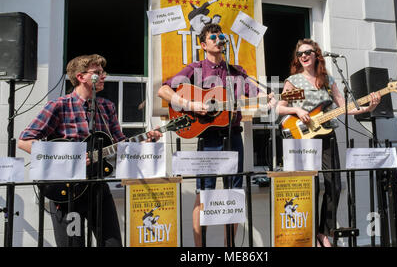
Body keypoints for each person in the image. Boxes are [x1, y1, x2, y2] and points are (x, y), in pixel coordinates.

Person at [18, 54, 163, 247]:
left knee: (112, 243)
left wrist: (145, 142)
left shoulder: (106, 106)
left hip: (97, 186)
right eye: (97, 73)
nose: (104, 76)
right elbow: (24, 141)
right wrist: (68, 159)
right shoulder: (59, 105)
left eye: (103, 72)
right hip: (66, 189)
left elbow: (121, 145)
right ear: (81, 77)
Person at [158, 23, 275, 246]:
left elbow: (256, 94)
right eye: (214, 37)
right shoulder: (194, 68)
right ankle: (199, 249)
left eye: (221, 36)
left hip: (234, 137)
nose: (219, 40)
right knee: (204, 193)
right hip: (209, 139)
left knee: (233, 193)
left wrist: (268, 97)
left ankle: (229, 247)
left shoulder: (237, 71)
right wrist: (190, 104)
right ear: (203, 45)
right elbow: (163, 90)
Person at [276, 39, 380, 247]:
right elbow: (280, 107)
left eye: (307, 52)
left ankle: (324, 232)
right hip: (302, 136)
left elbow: (344, 107)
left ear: (316, 55)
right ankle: (310, 232)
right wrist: (297, 110)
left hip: (326, 135)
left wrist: (367, 108)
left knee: (334, 183)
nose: (303, 56)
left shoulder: (327, 80)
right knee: (309, 186)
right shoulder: (294, 80)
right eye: (300, 54)